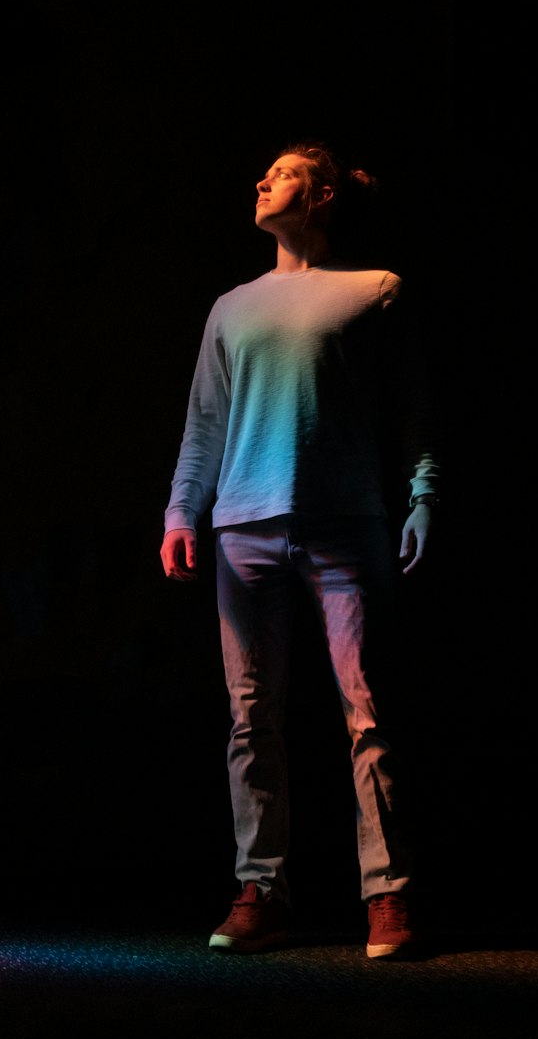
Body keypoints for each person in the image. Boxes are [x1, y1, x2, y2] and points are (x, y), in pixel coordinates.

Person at [160, 140, 440, 958]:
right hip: (242, 528)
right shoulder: (231, 306)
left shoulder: (374, 291)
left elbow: (413, 408)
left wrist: (424, 496)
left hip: (345, 526)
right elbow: (204, 423)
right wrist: (183, 510)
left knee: (368, 715)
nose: (261, 181)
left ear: (319, 197)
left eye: (281, 174)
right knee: (252, 720)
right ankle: (262, 889)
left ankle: (388, 895)